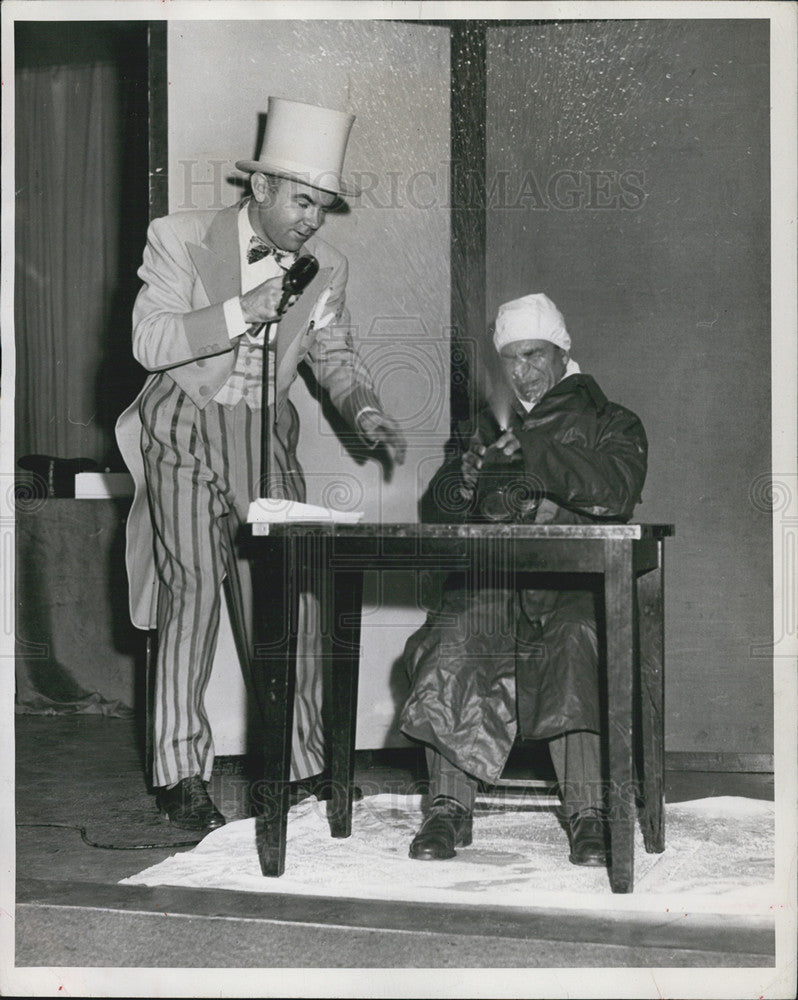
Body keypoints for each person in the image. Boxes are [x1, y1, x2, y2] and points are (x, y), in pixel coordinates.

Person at [116, 97, 406, 831]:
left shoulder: (326, 267)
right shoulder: (177, 238)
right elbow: (149, 343)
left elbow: (335, 356)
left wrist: (364, 409)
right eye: (303, 201)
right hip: (182, 426)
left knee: (298, 601)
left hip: (264, 439)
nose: (312, 219)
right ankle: (182, 774)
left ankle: (305, 767)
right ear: (262, 189)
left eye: (323, 205)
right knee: (192, 598)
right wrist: (246, 307)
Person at [400, 293, 647, 866]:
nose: (522, 371)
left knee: (576, 641)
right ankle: (446, 807)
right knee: (454, 636)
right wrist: (460, 484)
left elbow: (616, 491)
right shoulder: (484, 428)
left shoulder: (614, 422)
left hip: (572, 589)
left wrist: (536, 453)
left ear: (563, 354)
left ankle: (589, 811)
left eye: (534, 356)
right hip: (492, 588)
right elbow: (437, 509)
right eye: (510, 359)